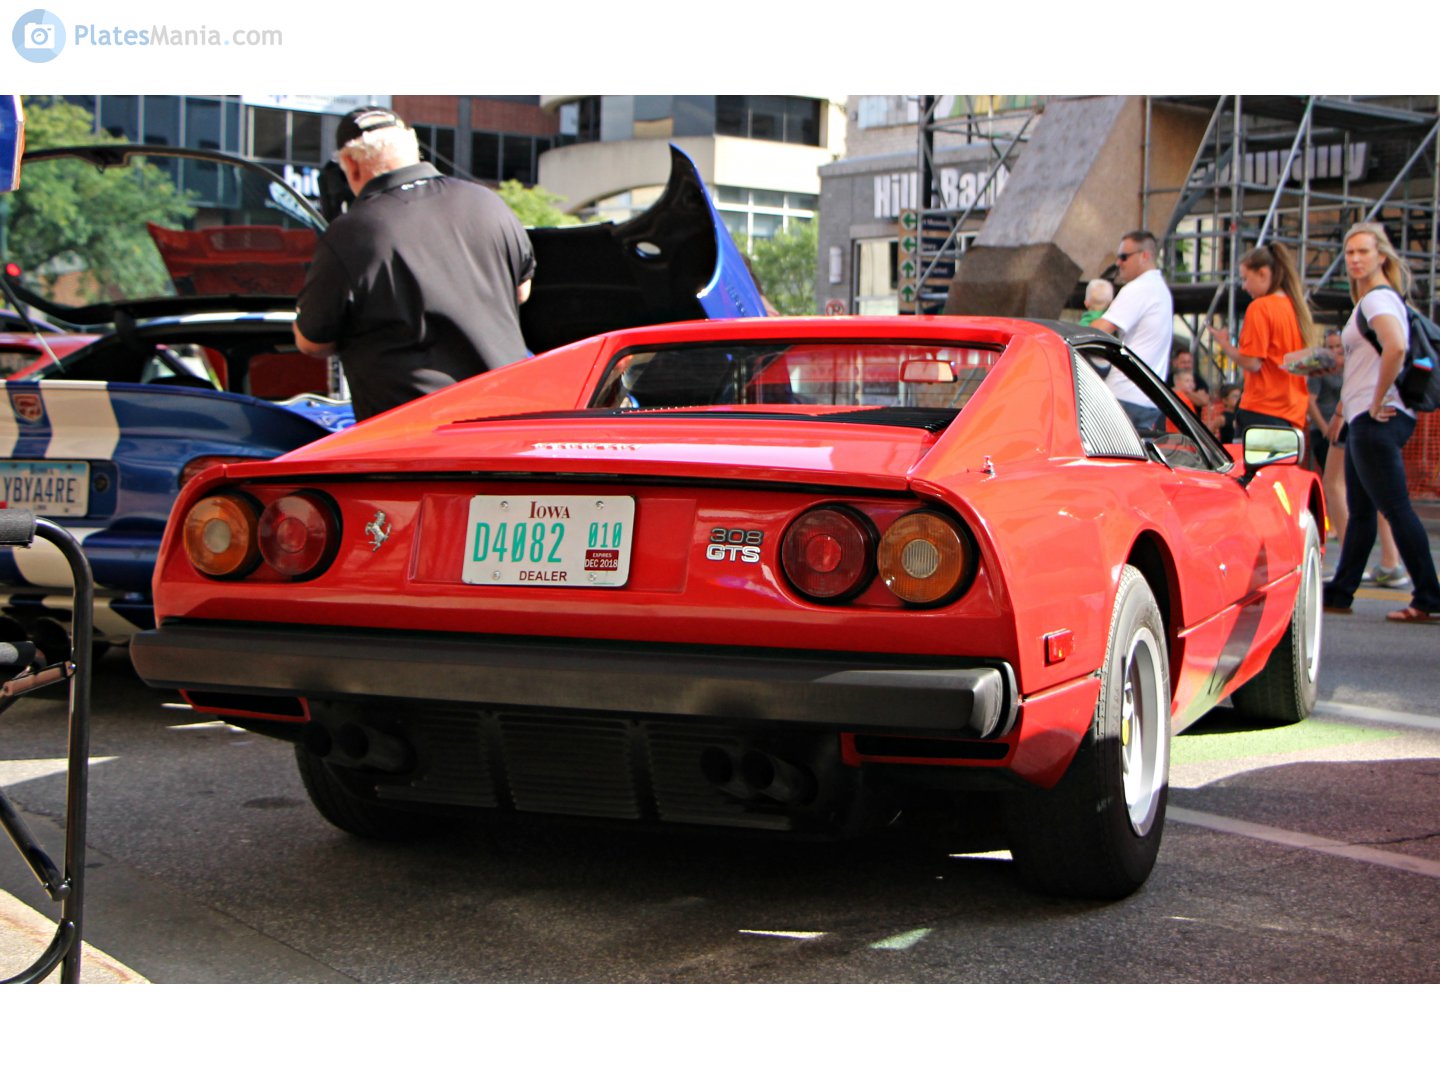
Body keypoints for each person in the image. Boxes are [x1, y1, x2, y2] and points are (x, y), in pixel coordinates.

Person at [294, 107, 536, 422]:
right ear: (413, 148)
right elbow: (522, 291)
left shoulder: (351, 233)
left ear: (350, 165)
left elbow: (312, 342)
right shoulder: (488, 202)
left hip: (415, 437)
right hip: (510, 420)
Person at [1321, 223, 1440, 622]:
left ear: (1381, 257)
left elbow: (1398, 347)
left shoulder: (1377, 300)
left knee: (1394, 506)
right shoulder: (1372, 301)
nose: (1354, 259)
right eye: (1350, 252)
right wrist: (1344, 412)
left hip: (1378, 420)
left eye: (1363, 252)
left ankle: (1428, 597)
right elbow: (1364, 365)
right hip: (1365, 420)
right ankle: (1340, 591)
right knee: (1363, 511)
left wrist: (1374, 402)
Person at [1210, 242, 1315, 440]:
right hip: (1292, 412)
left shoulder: (1260, 307)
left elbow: (1252, 362)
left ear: (1263, 274)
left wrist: (1225, 345)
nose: (1244, 286)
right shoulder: (1296, 308)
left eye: (1245, 278)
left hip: (1262, 408)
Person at [1090, 230, 1174, 431]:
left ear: (1144, 256)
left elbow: (1099, 331)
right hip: (1149, 398)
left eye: (1124, 257)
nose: (1118, 263)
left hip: (1124, 394)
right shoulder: (1161, 289)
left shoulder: (1139, 288)